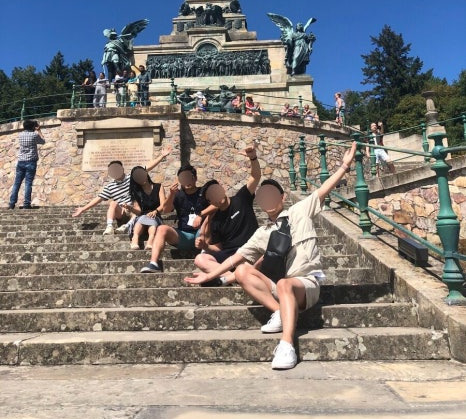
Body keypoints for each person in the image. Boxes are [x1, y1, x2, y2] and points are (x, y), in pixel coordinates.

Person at [185, 141, 357, 370]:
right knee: (243, 271)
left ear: (282, 197)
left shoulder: (299, 211)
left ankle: (287, 345)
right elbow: (234, 259)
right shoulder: (262, 233)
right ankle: (279, 311)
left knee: (285, 283)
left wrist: (344, 166)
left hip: (306, 284)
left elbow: (324, 189)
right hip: (281, 288)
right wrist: (209, 276)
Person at [192, 144, 261, 285]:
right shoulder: (215, 220)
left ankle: (231, 277)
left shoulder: (242, 198)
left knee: (258, 258)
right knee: (200, 259)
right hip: (230, 256)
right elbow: (218, 248)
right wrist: (205, 246)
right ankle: (235, 277)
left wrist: (253, 158)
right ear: (210, 202)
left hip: (250, 251)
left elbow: (255, 177)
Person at [71, 148, 172, 235]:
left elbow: (147, 167)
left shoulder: (132, 178)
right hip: (122, 212)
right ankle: (109, 226)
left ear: (122, 169)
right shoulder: (110, 186)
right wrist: (83, 209)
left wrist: (162, 156)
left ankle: (127, 226)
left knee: (137, 205)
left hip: (135, 210)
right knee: (113, 203)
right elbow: (98, 199)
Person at [140, 164, 212, 273]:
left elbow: (218, 203)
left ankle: (205, 257)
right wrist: (171, 194)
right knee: (162, 228)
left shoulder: (204, 192)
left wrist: (201, 215)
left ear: (195, 178)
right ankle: (153, 263)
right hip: (184, 236)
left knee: (209, 221)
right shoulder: (178, 195)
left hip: (202, 234)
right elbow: (166, 210)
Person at [124, 166, 166, 250]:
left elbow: (163, 204)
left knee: (152, 220)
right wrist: (130, 208)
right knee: (142, 218)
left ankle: (151, 240)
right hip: (142, 215)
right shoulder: (136, 191)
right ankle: (135, 238)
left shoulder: (158, 187)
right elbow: (139, 212)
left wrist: (155, 211)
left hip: (156, 215)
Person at [8, 119, 45, 209]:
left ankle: (12, 203)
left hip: (21, 161)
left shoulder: (20, 135)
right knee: (28, 183)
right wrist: (39, 130)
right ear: (33, 127)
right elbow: (43, 141)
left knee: (17, 183)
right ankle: (26, 204)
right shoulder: (34, 135)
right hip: (31, 162)